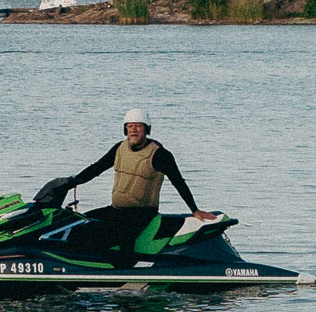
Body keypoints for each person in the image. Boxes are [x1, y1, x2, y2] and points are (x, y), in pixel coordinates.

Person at [64, 108, 214, 265]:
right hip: (116, 210)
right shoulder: (119, 149)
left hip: (142, 213)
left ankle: (123, 275)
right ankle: (82, 266)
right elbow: (96, 168)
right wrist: (71, 182)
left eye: (138, 126)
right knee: (79, 226)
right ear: (125, 129)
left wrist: (194, 209)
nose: (133, 130)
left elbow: (178, 182)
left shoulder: (159, 154)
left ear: (146, 129)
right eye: (130, 126)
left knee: (120, 236)